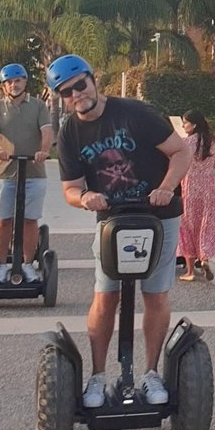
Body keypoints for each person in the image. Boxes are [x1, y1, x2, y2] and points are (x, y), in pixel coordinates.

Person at [49, 54, 192, 409]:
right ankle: (97, 377)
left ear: (93, 80)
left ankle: (150, 373)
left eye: (80, 85)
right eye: (67, 92)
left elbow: (180, 152)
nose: (76, 95)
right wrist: (85, 197)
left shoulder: (135, 113)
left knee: (155, 294)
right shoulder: (69, 132)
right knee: (105, 295)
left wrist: (166, 187)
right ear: (61, 97)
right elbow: (69, 188)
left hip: (158, 215)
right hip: (112, 221)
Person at [0, 63, 53, 282]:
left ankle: (27, 264)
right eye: (9, 82)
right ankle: (2, 266)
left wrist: (43, 150)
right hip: (4, 171)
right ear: (4, 86)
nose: (14, 85)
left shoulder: (39, 106)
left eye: (18, 81)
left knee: (30, 220)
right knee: (4, 220)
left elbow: (47, 131)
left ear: (25, 82)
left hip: (34, 171)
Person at [177, 108, 215, 281]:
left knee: (187, 227)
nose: (183, 125)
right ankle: (204, 259)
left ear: (193, 124)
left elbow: (179, 164)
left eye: (185, 122)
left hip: (190, 188)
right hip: (208, 189)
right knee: (205, 225)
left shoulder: (186, 143)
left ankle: (190, 271)